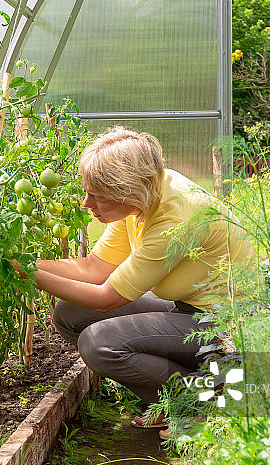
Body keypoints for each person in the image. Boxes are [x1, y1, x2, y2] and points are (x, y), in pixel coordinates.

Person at [25, 127, 253, 429]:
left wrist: (29, 275)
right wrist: (27, 263)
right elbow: (95, 268)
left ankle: (204, 399)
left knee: (99, 343)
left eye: (96, 196)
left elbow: (107, 299)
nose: (86, 204)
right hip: (189, 312)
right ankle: (177, 392)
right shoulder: (140, 199)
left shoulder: (176, 216)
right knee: (70, 314)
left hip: (230, 329)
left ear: (125, 191)